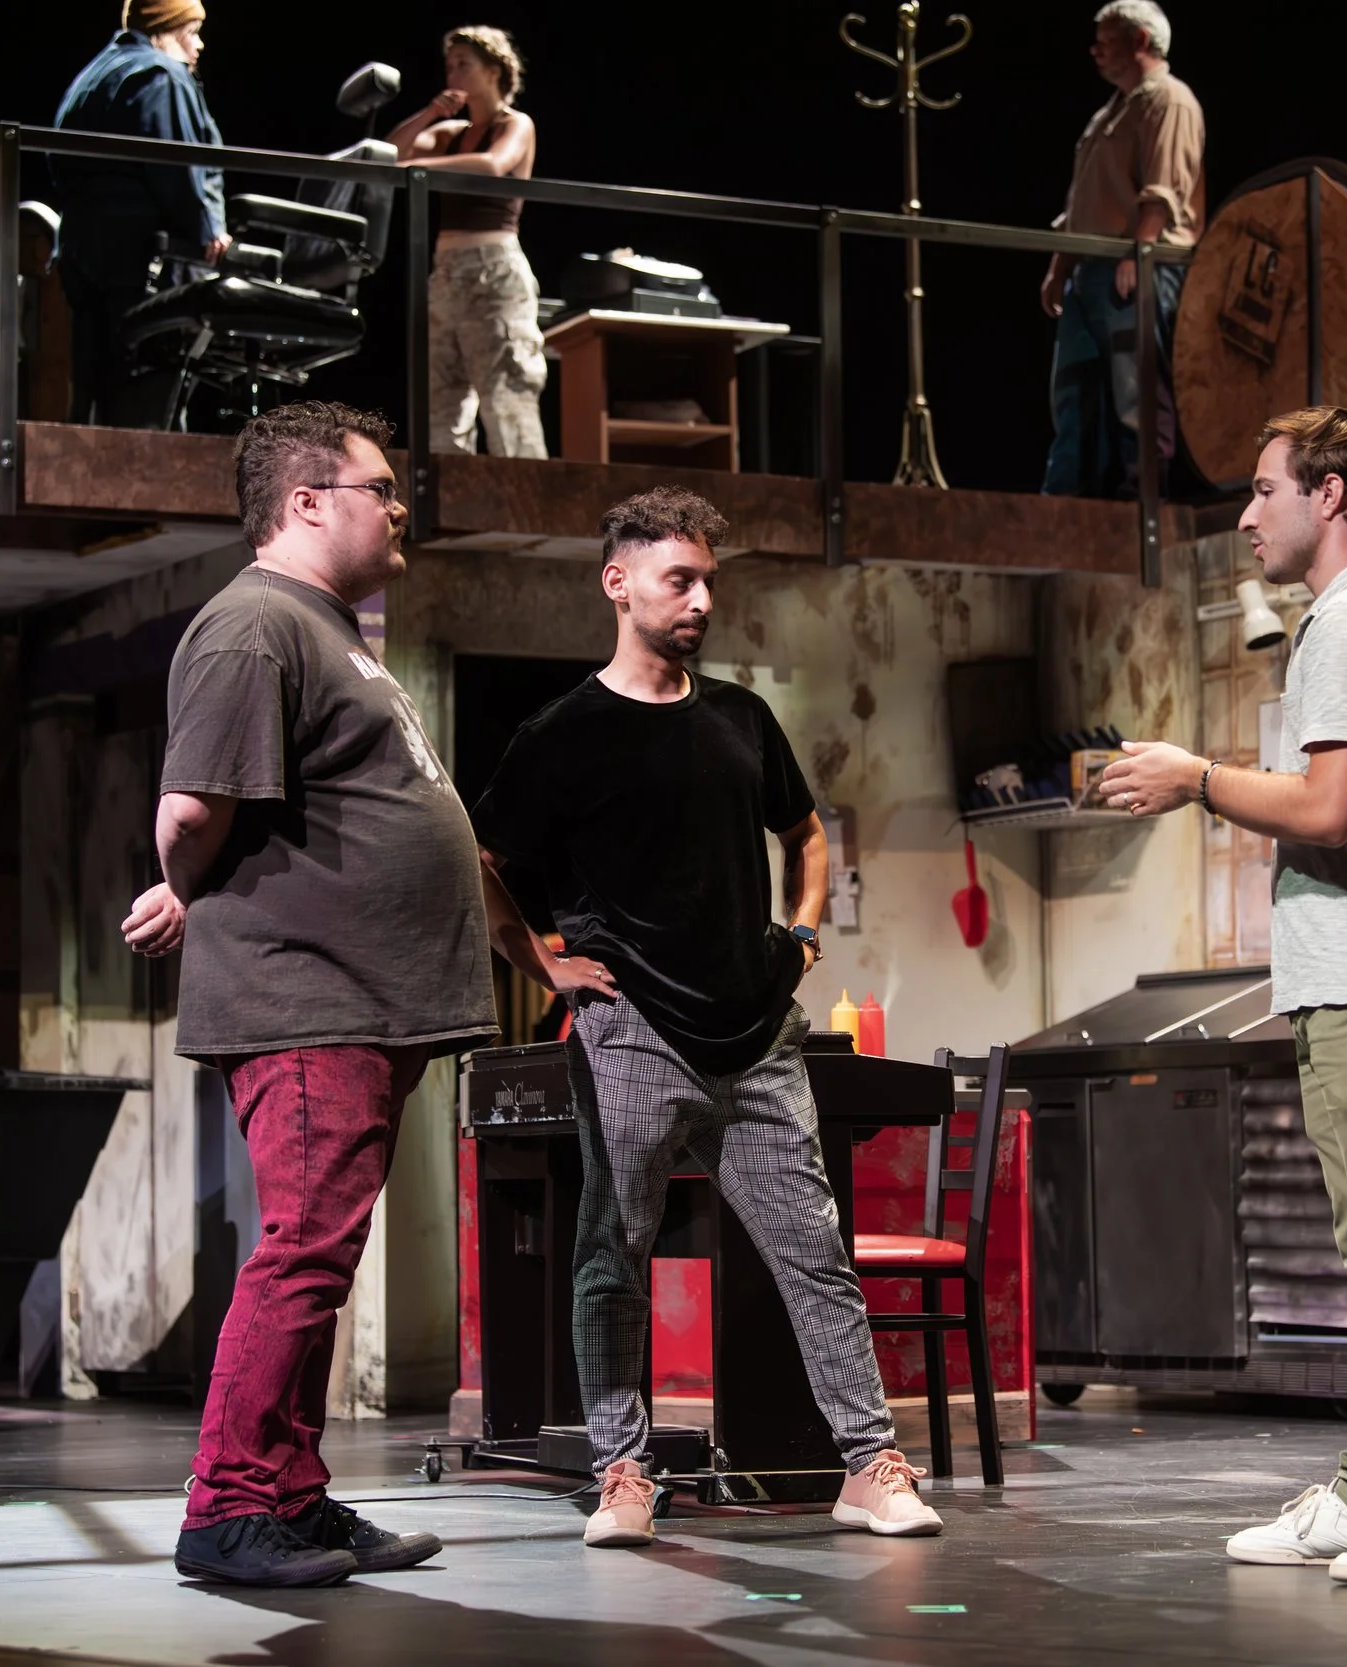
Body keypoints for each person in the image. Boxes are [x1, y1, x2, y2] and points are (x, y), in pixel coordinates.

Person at [468, 487, 942, 1550]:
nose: (699, 598)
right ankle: (623, 1469)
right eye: (678, 578)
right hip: (632, 1028)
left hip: (756, 1033)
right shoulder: (562, 734)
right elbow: (483, 856)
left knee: (814, 1251)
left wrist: (804, 935)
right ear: (618, 581)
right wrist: (541, 959)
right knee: (613, 1251)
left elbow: (805, 832)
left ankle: (869, 1463)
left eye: (708, 580)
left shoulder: (738, 716)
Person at [1097, 406, 1347, 1586]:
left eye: (1264, 490)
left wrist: (1198, 777)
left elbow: (1328, 809)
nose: (1245, 515)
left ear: (1328, 496)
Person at [122, 401, 495, 1587]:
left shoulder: (322, 630)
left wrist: (202, 887)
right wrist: (189, 882)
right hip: (309, 1004)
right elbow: (191, 812)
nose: (399, 508)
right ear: (304, 503)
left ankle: (288, 1491)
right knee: (300, 1252)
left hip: (354, 1003)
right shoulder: (254, 627)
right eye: (379, 488)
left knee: (318, 1255)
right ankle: (228, 1507)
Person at [1040, 1, 1204, 499]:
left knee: (1137, 385)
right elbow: (1080, 202)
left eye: (1106, 38)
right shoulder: (1106, 114)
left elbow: (1162, 189)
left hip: (1135, 264)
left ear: (1139, 40)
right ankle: (1066, 499)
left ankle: (1141, 500)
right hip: (1089, 269)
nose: (1096, 49)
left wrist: (1140, 254)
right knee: (1074, 387)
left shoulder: (1169, 100)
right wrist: (1058, 267)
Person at [54, 1, 231, 426]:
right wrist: (209, 228)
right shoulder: (161, 75)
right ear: (166, 29)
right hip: (142, 266)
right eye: (192, 31)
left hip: (84, 256)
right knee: (151, 403)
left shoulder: (94, 74)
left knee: (98, 398)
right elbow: (177, 166)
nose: (200, 44)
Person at [382, 26, 550, 458]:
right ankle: (450, 513)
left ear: (494, 71)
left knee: (506, 395)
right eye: (449, 64)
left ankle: (523, 514)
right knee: (442, 398)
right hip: (448, 270)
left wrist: (422, 168)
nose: (453, 72)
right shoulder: (450, 132)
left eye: (464, 64)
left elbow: (494, 164)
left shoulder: (515, 123)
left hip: (493, 267)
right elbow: (391, 153)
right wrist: (428, 115)